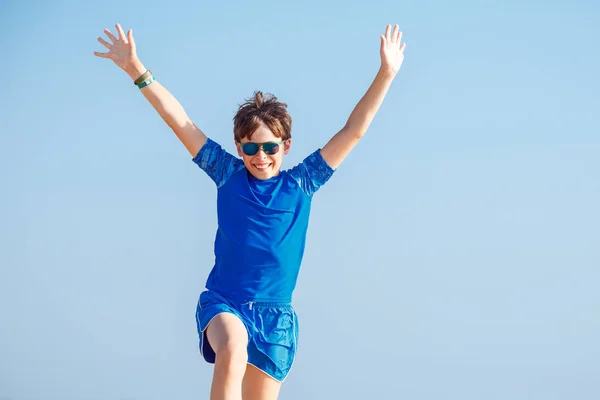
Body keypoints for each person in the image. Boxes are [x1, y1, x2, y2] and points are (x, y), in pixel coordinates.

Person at [94, 23, 406, 400]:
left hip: (276, 319)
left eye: (270, 148)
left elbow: (353, 131)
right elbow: (180, 121)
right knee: (233, 348)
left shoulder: (302, 183)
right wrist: (135, 69)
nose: (261, 157)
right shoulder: (226, 174)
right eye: (251, 149)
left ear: (285, 146)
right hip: (225, 302)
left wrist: (386, 72)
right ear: (238, 147)